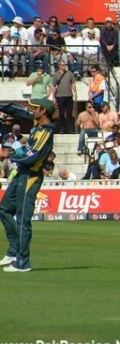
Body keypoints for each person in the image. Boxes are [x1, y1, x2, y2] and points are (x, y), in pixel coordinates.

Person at [0, 99, 55, 272]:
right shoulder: (36, 122)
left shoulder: (46, 132)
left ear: (43, 111)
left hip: (31, 176)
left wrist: (12, 153)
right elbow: (17, 110)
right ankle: (14, 250)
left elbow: (32, 157)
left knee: (23, 219)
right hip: (22, 174)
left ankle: (23, 262)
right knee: (4, 209)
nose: (31, 110)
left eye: (34, 108)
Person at [51, 60, 77, 134]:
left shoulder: (69, 73)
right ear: (59, 66)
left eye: (64, 65)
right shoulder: (56, 75)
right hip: (60, 96)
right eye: (62, 65)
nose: (64, 66)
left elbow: (73, 84)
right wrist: (53, 97)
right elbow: (54, 86)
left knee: (69, 113)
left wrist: (75, 93)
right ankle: (61, 129)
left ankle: (70, 129)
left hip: (69, 95)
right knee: (61, 113)